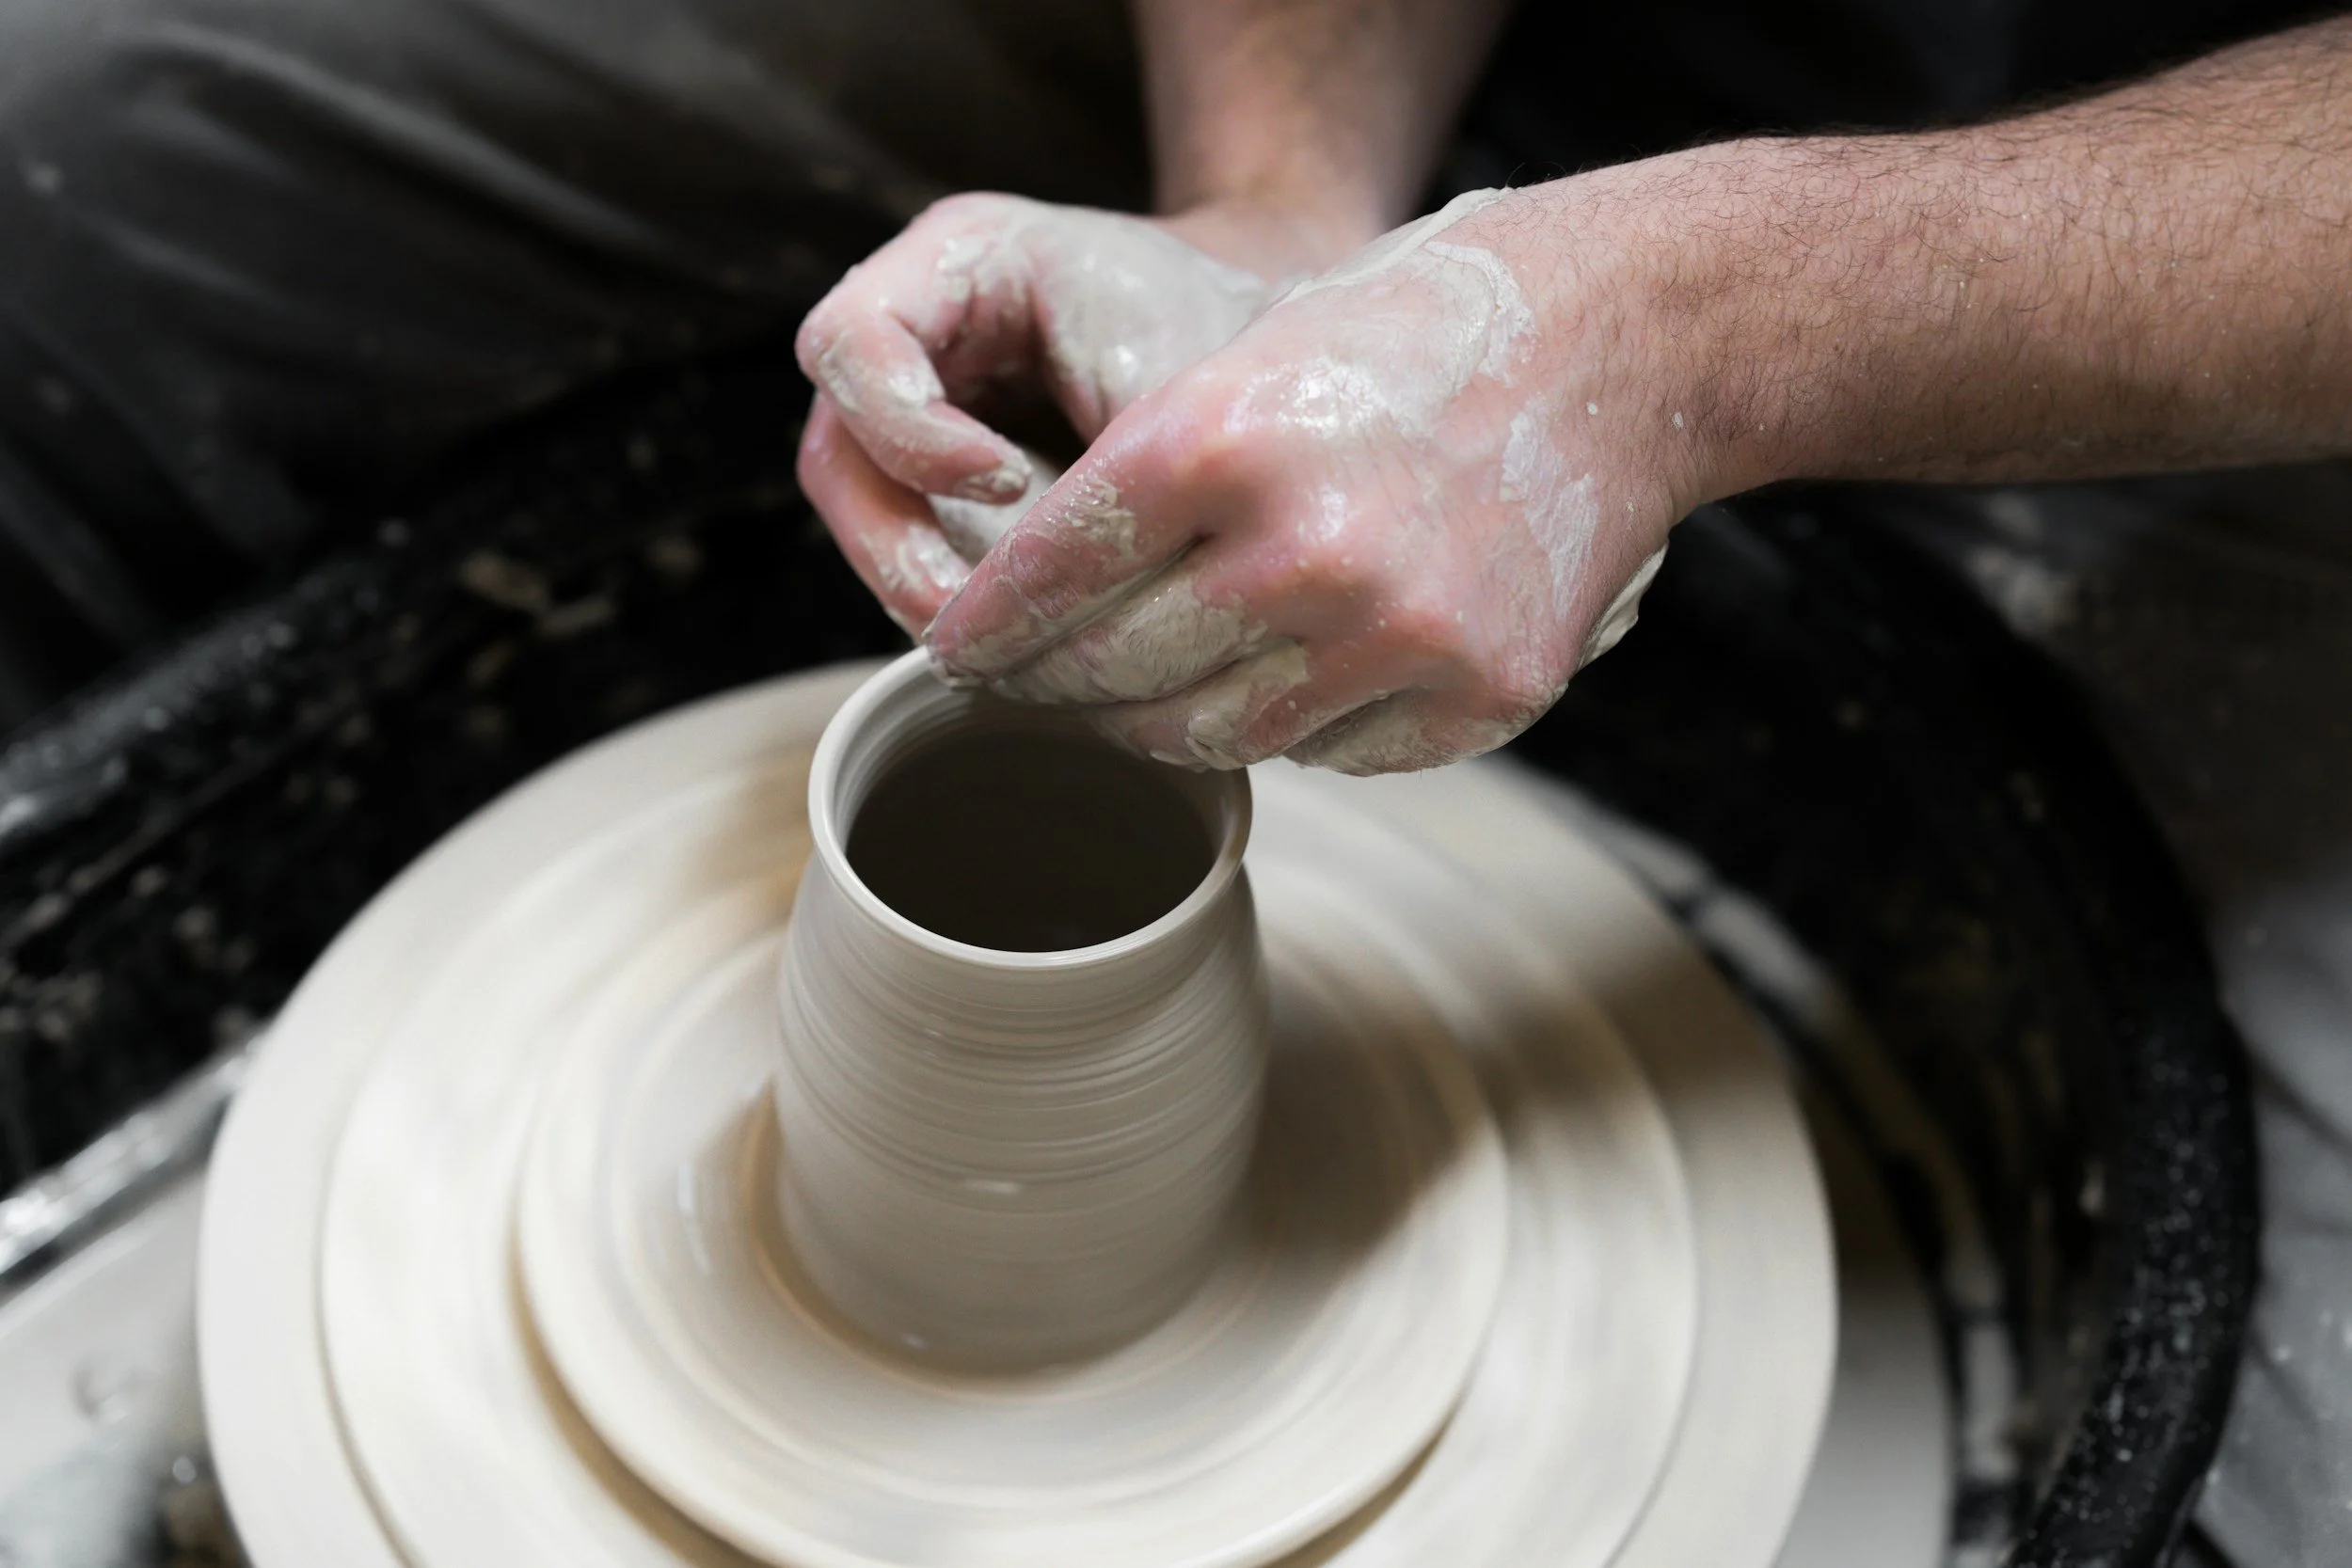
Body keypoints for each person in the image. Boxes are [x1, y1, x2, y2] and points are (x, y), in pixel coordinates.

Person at [0, 1, 2345, 1561]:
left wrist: (1691, 324)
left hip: (2226, 273)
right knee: (79, 152)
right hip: (1565, 41)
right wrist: (1279, 210)